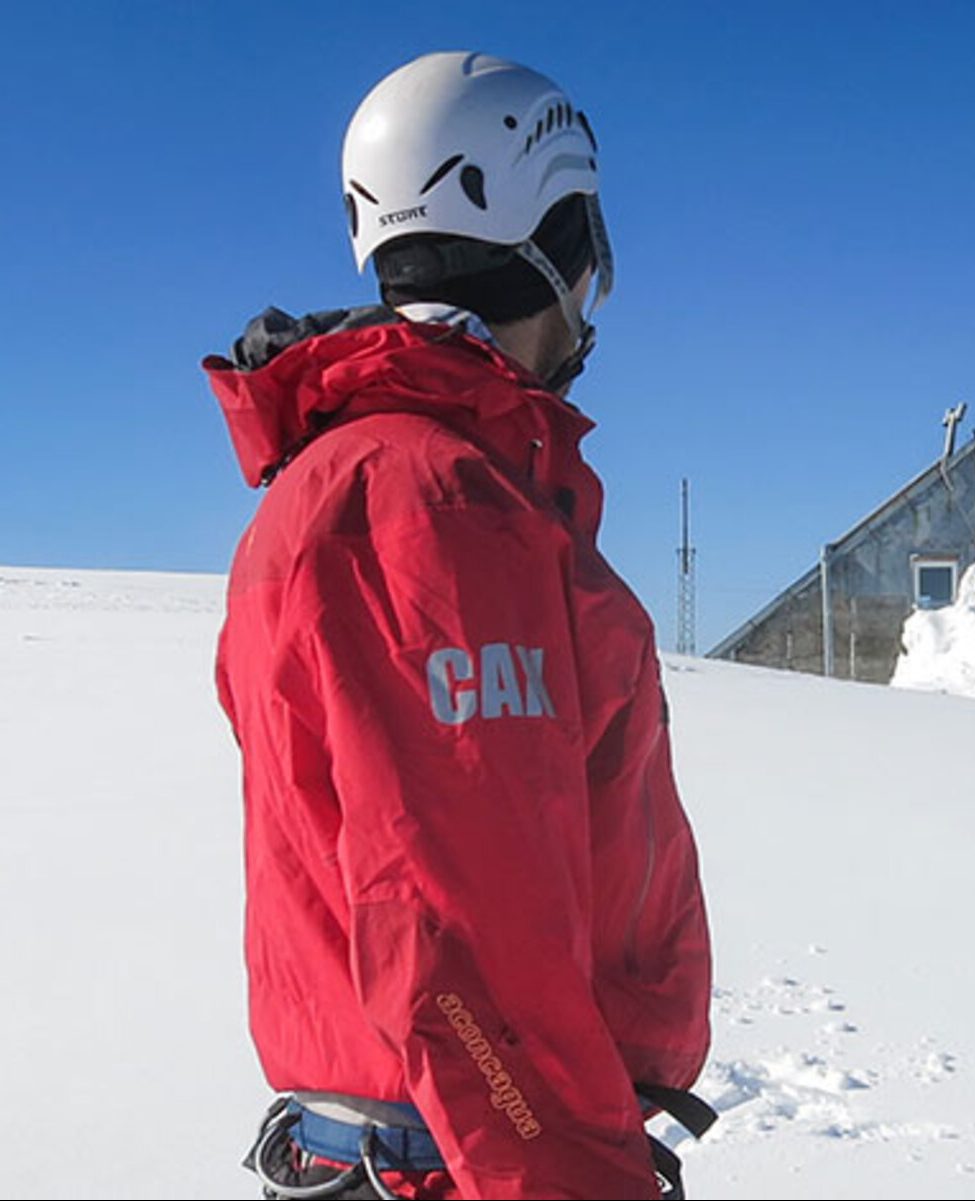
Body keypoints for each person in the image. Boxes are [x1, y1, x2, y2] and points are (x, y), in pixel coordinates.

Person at [206, 52, 712, 1199]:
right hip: (469, 1155)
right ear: (558, 238)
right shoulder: (427, 503)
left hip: (443, 1139)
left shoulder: (392, 478)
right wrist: (571, 1172)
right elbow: (448, 929)